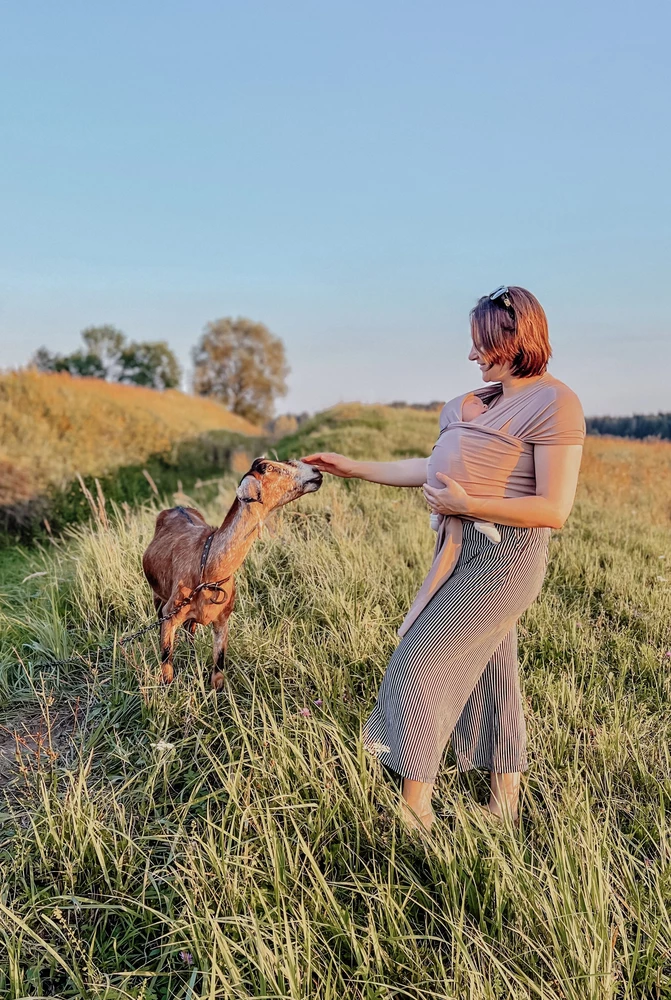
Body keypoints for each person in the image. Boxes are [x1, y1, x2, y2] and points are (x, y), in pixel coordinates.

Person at [303, 285, 585, 832]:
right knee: (493, 674)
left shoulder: (556, 403)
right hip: (457, 552)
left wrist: (467, 503)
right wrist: (354, 466)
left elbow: (555, 508)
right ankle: (505, 800)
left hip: (507, 559)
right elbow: (427, 467)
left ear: (516, 337)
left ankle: (416, 808)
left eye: (482, 343)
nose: (473, 355)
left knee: (421, 659)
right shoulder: (464, 404)